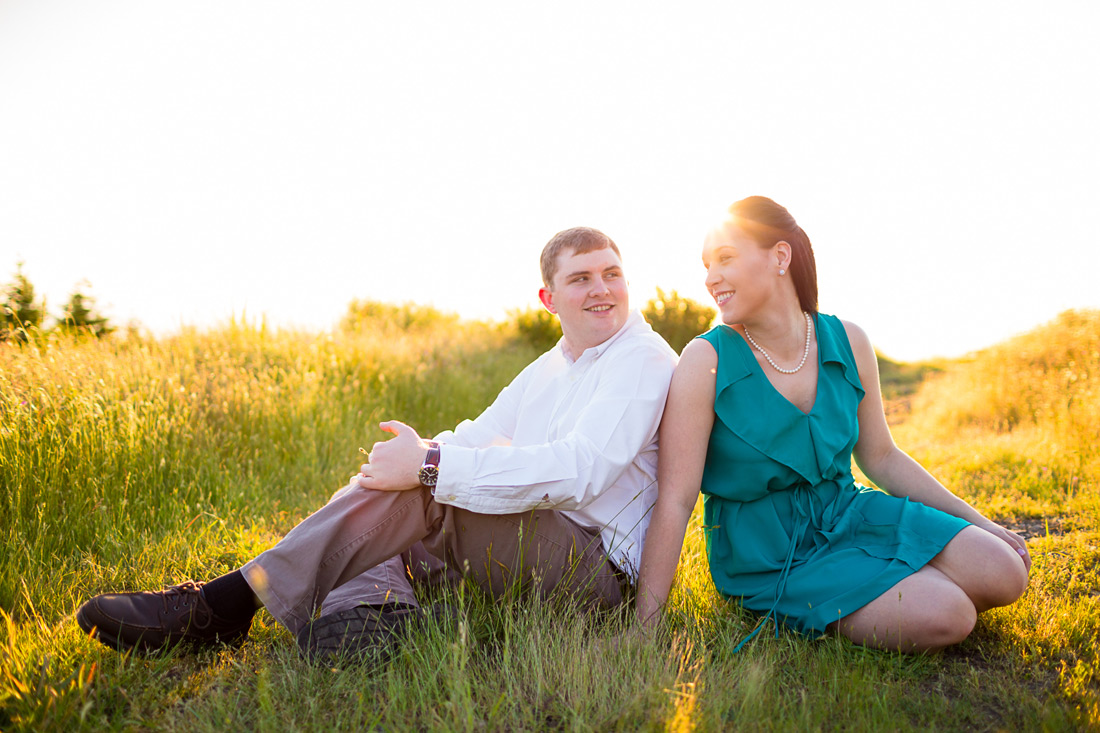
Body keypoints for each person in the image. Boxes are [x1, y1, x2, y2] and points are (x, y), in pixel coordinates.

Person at [78, 226, 677, 659]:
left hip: (595, 575)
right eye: (581, 278)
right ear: (549, 299)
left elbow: (582, 472)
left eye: (612, 273)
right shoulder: (552, 365)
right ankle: (371, 616)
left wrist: (429, 465)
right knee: (394, 486)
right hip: (532, 547)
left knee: (425, 488)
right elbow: (479, 434)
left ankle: (224, 606)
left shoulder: (641, 358)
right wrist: (408, 461)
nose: (602, 289)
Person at [635, 197, 1029, 652]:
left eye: (724, 258)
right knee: (950, 615)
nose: (710, 279)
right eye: (705, 265)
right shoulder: (705, 359)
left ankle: (888, 577)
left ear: (780, 257)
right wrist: (646, 625)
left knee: (1004, 572)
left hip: (847, 513)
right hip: (770, 553)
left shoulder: (848, 339)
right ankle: (842, 595)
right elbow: (677, 497)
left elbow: (882, 456)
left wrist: (981, 523)